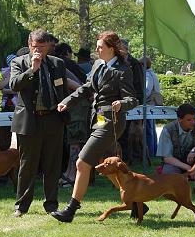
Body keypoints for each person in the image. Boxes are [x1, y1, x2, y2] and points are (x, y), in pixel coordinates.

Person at [52, 30, 138, 223]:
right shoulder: (99, 65)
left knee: (82, 163)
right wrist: (68, 101)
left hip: (111, 123)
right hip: (98, 120)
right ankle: (137, 203)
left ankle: (71, 209)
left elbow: (133, 99)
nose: (97, 50)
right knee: (107, 166)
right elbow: (87, 88)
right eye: (97, 46)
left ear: (111, 49)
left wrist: (121, 104)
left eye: (100, 47)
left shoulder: (123, 70)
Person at [9, 29, 70, 216]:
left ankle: (51, 205)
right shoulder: (18, 62)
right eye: (36, 47)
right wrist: (32, 70)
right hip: (29, 120)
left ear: (49, 47)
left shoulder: (57, 63)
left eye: (43, 48)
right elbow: (14, 85)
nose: (39, 52)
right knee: (28, 164)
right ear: (29, 45)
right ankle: (21, 206)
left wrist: (65, 104)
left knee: (53, 164)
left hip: (53, 119)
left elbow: (63, 89)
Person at [156, 103, 195, 193]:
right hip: (176, 163)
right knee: (168, 173)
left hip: (193, 161)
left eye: (194, 118)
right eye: (189, 120)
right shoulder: (168, 129)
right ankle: (179, 185)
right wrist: (188, 168)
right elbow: (167, 158)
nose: (193, 122)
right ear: (180, 119)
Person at [0, 53, 17, 152]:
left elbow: (18, 90)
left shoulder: (21, 72)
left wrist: (7, 91)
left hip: (18, 107)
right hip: (6, 107)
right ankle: (3, 153)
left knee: (20, 133)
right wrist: (8, 78)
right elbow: (0, 86)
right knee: (4, 133)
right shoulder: (6, 73)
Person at [144, 56, 162, 158]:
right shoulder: (152, 74)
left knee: (148, 130)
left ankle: (150, 153)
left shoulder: (147, 75)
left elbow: (147, 90)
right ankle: (154, 151)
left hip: (149, 105)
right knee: (152, 129)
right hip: (153, 105)